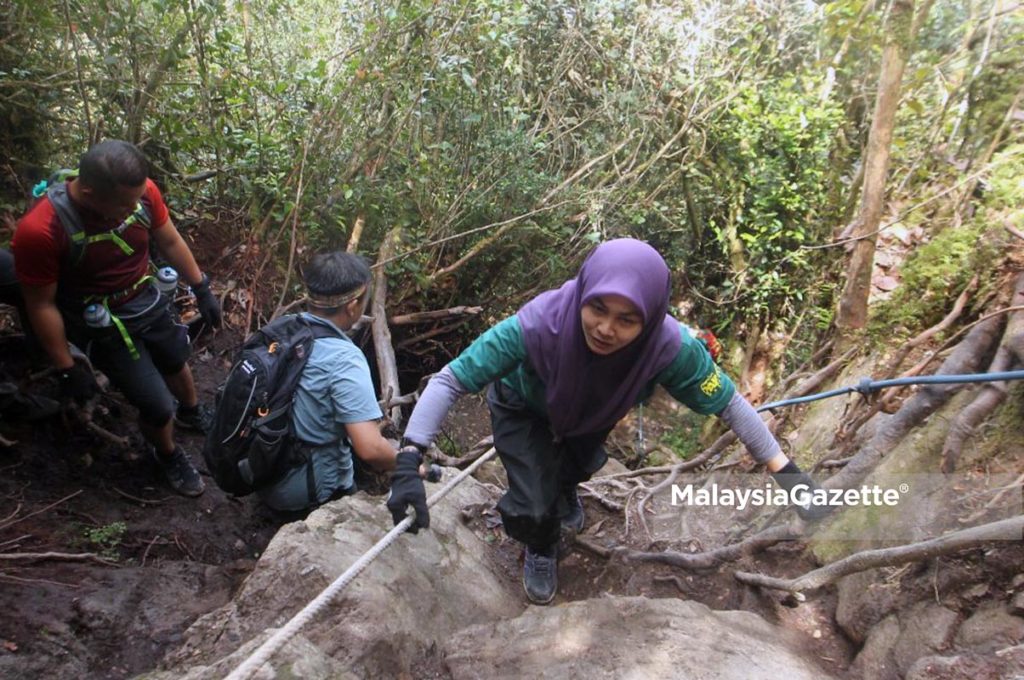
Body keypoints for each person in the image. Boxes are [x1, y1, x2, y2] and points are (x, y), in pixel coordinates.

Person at [389, 238, 826, 604]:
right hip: (524, 406)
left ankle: (565, 491)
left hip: (594, 413)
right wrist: (410, 455)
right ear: (583, 293)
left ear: (650, 318)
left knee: (575, 467)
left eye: (626, 319)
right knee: (531, 504)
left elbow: (730, 404)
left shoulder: (670, 349)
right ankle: (541, 544)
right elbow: (451, 380)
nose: (605, 328)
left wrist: (788, 475)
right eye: (597, 308)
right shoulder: (539, 324)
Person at [4, 140, 222, 496]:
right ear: (88, 192)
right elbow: (41, 304)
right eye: (124, 204)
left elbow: (167, 240)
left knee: (175, 359)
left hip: (146, 298)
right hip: (102, 320)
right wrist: (66, 366)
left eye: (137, 199)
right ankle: (166, 452)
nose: (134, 208)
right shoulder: (41, 230)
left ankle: (192, 411)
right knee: (155, 405)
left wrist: (202, 287)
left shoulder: (141, 192)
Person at [255, 251, 399, 513]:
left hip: (261, 466)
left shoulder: (283, 327)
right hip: (308, 487)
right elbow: (369, 449)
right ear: (353, 306)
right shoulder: (345, 360)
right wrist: (411, 465)